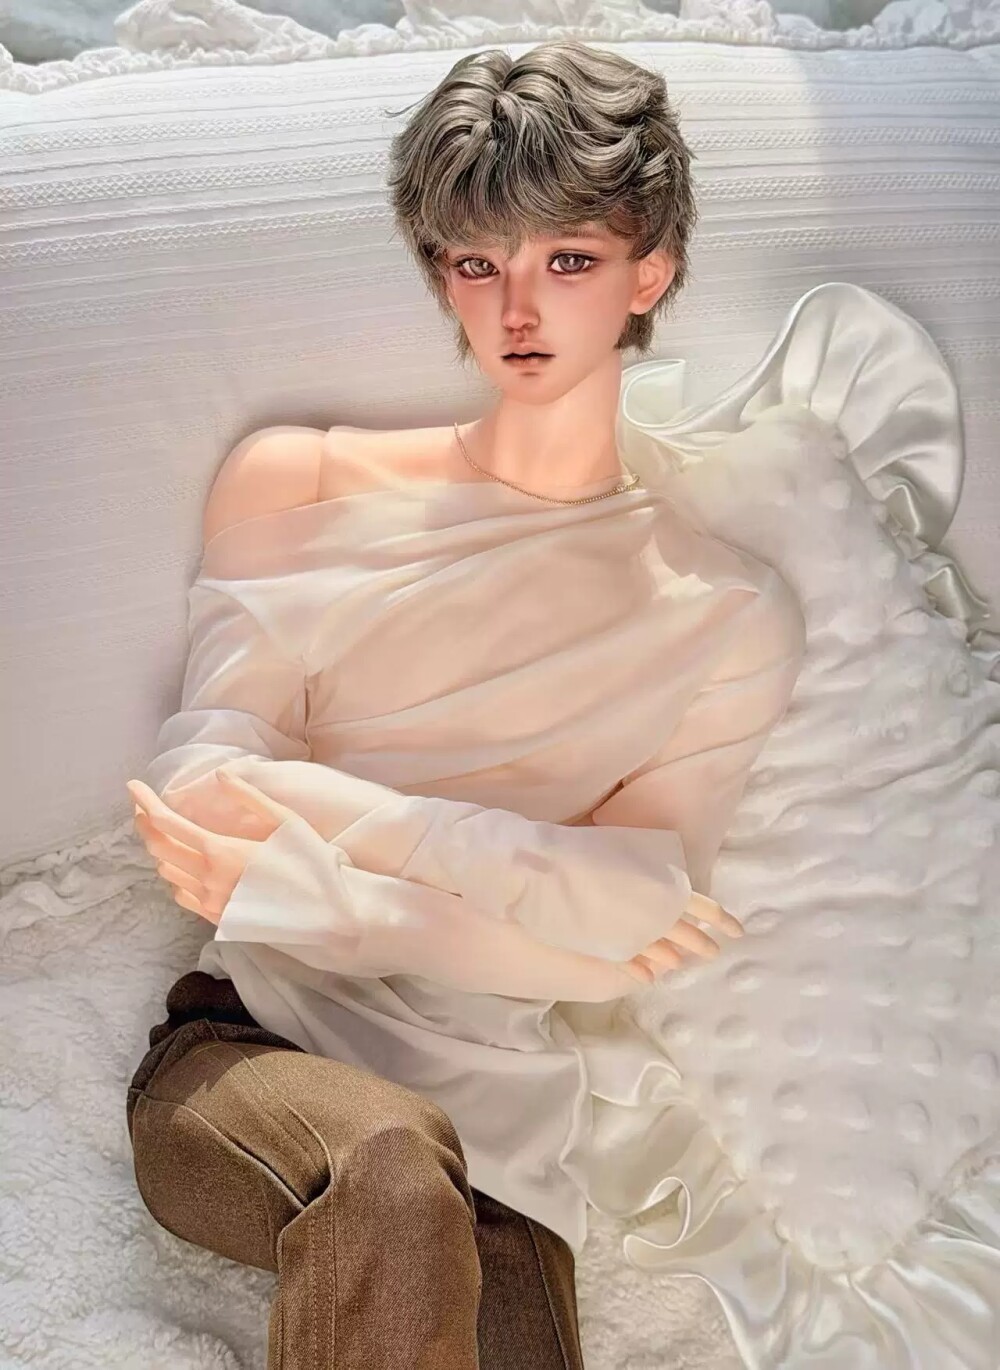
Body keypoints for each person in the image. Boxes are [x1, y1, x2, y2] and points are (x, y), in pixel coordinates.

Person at [125, 37, 805, 1370]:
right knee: (389, 1159)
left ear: (651, 272)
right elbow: (201, 795)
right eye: (478, 263)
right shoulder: (301, 481)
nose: (517, 308)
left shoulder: (726, 612)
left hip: (506, 1143)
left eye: (569, 260)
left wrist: (326, 885)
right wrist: (532, 871)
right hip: (249, 1057)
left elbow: (626, 938)